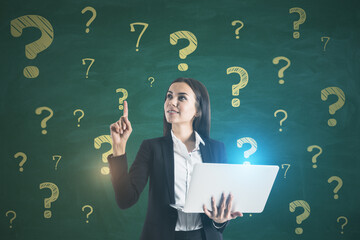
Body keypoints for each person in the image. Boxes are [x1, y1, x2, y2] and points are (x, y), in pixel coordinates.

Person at [108, 77, 242, 240]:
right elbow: (125, 199)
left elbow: (221, 207)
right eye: (169, 96)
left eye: (182, 97)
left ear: (198, 110)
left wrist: (220, 221)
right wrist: (119, 148)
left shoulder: (216, 149)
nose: (171, 102)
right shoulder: (151, 148)